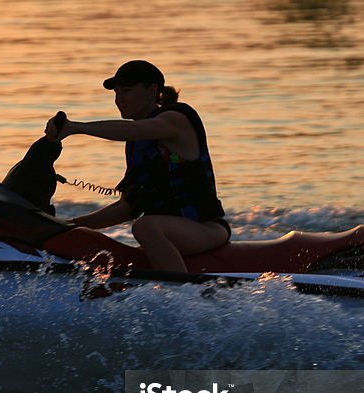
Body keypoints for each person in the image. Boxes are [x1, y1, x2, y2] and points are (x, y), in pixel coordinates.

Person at [45, 60, 230, 272]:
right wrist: (68, 225)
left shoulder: (176, 118)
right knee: (143, 226)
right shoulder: (136, 145)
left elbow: (136, 130)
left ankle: (180, 297)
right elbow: (127, 208)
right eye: (116, 92)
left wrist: (74, 128)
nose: (119, 99)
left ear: (152, 91)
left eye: (127, 91)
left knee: (145, 226)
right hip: (169, 231)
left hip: (206, 228)